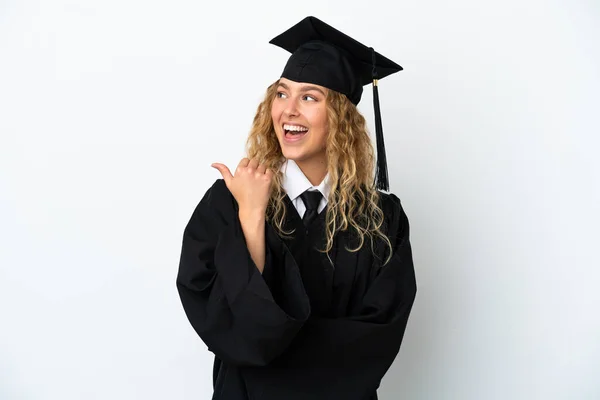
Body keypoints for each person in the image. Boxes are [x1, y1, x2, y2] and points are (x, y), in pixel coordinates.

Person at [176, 16, 417, 400]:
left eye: (309, 97)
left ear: (340, 118)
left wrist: (273, 341)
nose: (289, 110)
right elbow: (220, 321)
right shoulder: (228, 201)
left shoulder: (381, 219)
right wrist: (252, 216)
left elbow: (377, 336)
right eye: (282, 93)